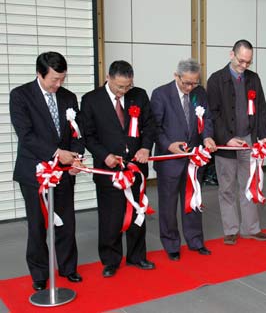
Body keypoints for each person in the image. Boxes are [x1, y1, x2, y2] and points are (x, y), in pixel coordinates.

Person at [10, 52, 84, 291]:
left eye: (62, 78)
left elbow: (76, 132)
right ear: (39, 74)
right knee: (38, 223)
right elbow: (26, 135)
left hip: (63, 171)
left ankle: (68, 267)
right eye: (54, 79)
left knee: (66, 221)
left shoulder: (68, 97)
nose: (58, 84)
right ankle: (40, 274)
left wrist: (76, 157)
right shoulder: (20, 96)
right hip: (34, 172)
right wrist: (56, 152)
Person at [81, 60, 155, 277]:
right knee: (110, 216)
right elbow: (88, 135)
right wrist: (104, 156)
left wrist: (145, 147)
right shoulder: (91, 100)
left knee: (137, 213)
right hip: (109, 169)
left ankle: (137, 256)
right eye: (120, 86)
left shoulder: (139, 95)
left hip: (136, 166)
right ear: (108, 77)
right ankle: (110, 260)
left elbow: (150, 125)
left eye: (128, 86)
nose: (124, 91)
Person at [151, 58, 216, 261]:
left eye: (194, 82)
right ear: (176, 76)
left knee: (193, 201)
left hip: (194, 158)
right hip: (170, 159)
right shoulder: (161, 94)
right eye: (186, 82)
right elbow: (155, 127)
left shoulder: (200, 93)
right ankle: (171, 243)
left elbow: (207, 118)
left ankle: (195, 240)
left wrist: (207, 136)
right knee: (168, 204)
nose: (190, 87)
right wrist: (169, 145)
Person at [207, 39, 266, 245]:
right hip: (226, 142)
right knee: (226, 187)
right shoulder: (216, 79)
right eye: (241, 61)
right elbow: (213, 114)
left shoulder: (254, 78)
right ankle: (231, 229)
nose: (244, 66)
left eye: (248, 62)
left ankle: (251, 228)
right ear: (231, 54)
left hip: (248, 139)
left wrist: (264, 136)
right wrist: (226, 138)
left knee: (249, 185)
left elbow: (261, 109)